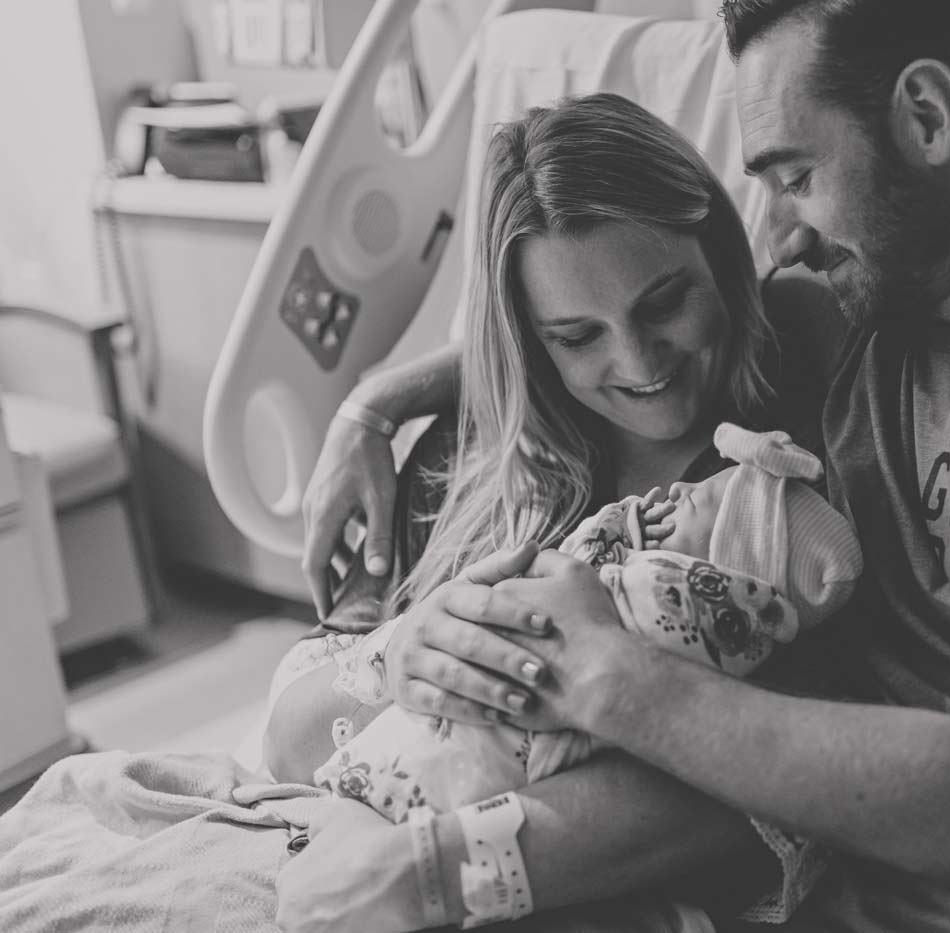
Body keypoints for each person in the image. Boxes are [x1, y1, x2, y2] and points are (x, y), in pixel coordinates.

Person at [282, 1, 950, 931]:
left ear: (926, 118)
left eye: (794, 175)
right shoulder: (848, 310)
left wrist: (606, 676)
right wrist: (370, 410)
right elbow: (592, 318)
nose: (778, 230)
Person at [268, 91, 853, 932]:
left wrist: (439, 873)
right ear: (529, 339)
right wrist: (397, 655)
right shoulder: (465, 466)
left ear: (721, 255)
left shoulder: (779, 471)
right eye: (578, 336)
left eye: (665, 303)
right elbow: (285, 738)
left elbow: (773, 783)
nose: (640, 361)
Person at [313, 423, 861, 826]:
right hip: (447, 721)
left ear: (727, 563)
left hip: (506, 751)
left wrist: (615, 539)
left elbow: (586, 584)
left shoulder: (704, 610)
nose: (681, 489)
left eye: (708, 499)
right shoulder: (689, 602)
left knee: (403, 780)